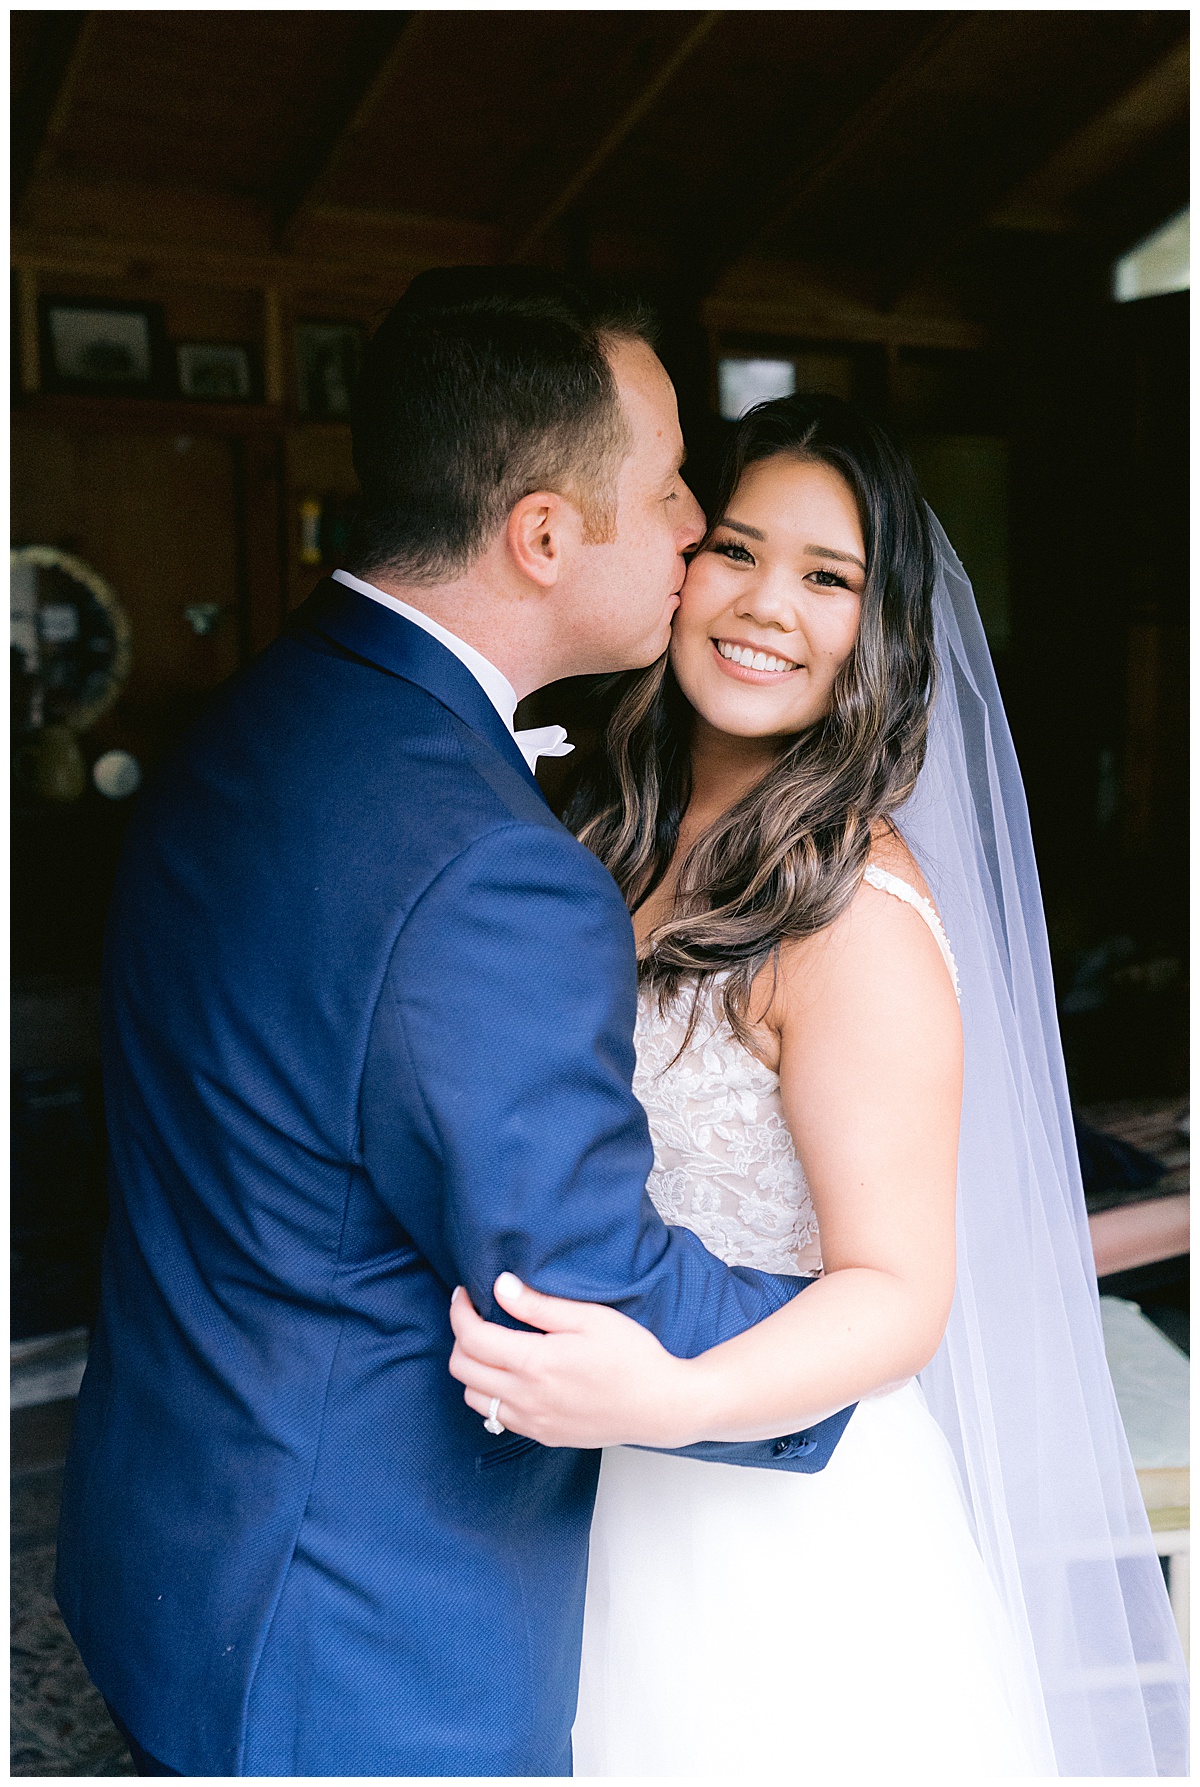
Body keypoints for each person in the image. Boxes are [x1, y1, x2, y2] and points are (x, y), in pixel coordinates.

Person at [54, 272, 866, 1779]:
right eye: (675, 483)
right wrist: (860, 1363)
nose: (697, 525)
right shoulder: (490, 862)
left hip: (171, 1540)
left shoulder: (252, 713)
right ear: (548, 533)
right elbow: (575, 1289)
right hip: (361, 1646)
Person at [449, 393, 1189, 1776]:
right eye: (736, 549)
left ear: (880, 630)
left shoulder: (848, 910)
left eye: (828, 577)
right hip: (580, 1492)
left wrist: (666, 1404)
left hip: (767, 1527)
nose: (764, 604)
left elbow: (898, 1294)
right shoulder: (603, 831)